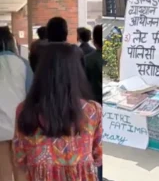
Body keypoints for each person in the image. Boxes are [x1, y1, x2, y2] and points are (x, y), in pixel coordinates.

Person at [13, 43, 102, 181]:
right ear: (77, 72)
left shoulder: (25, 110)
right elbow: (98, 155)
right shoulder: (93, 110)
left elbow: (20, 157)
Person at [0, 26, 32, 181]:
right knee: (22, 172)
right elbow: (32, 94)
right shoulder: (23, 63)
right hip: (21, 125)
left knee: (3, 173)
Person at [84, 25, 103, 181]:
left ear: (94, 40)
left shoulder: (88, 60)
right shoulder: (112, 57)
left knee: (95, 143)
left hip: (93, 107)